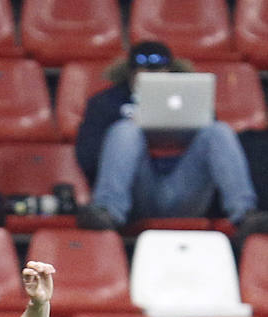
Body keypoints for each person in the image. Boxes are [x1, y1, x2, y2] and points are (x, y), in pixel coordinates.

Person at [75, 40, 268, 234]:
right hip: (136, 192)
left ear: (169, 70)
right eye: (144, 70)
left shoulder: (191, 98)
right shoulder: (106, 102)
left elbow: (215, 152)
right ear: (131, 72)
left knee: (218, 130)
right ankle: (107, 211)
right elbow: (87, 157)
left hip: (187, 186)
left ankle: (244, 214)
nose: (151, 74)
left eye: (158, 69)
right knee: (125, 130)